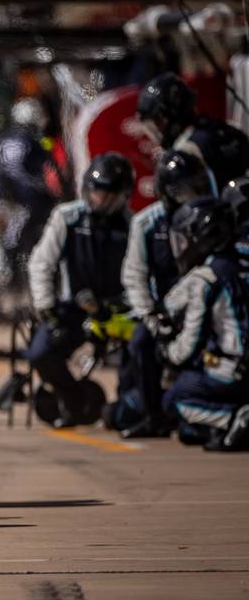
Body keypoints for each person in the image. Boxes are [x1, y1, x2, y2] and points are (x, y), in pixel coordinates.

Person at [27, 152, 133, 427]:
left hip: (118, 310)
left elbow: (142, 274)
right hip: (73, 308)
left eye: (108, 194)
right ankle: (72, 400)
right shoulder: (67, 217)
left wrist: (131, 307)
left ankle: (134, 404)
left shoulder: (134, 225)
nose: (99, 198)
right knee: (40, 351)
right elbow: (41, 263)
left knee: (142, 347)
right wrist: (47, 309)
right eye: (95, 191)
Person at [116, 150, 215, 437]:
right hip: (163, 311)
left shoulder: (212, 215)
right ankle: (153, 416)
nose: (195, 195)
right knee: (139, 343)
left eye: (198, 186)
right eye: (187, 189)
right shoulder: (146, 223)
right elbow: (134, 275)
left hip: (207, 303)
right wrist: (150, 315)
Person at [158, 197, 249, 451]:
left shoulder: (206, 277)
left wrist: (168, 352)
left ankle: (232, 418)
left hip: (233, 372)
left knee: (174, 399)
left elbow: (190, 342)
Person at [137, 72, 249, 188]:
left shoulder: (185, 150)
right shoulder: (230, 130)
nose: (156, 130)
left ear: (171, 115)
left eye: (158, 120)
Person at [0, 97, 64, 270]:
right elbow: (21, 170)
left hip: (17, 198)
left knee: (23, 239)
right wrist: (41, 184)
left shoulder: (10, 137)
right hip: (31, 198)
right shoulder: (25, 139)